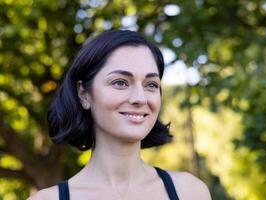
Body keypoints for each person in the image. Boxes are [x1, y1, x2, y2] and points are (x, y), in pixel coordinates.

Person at [28, 30, 211, 200]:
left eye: (151, 84)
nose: (140, 98)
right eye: (120, 82)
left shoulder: (189, 192)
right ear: (84, 94)